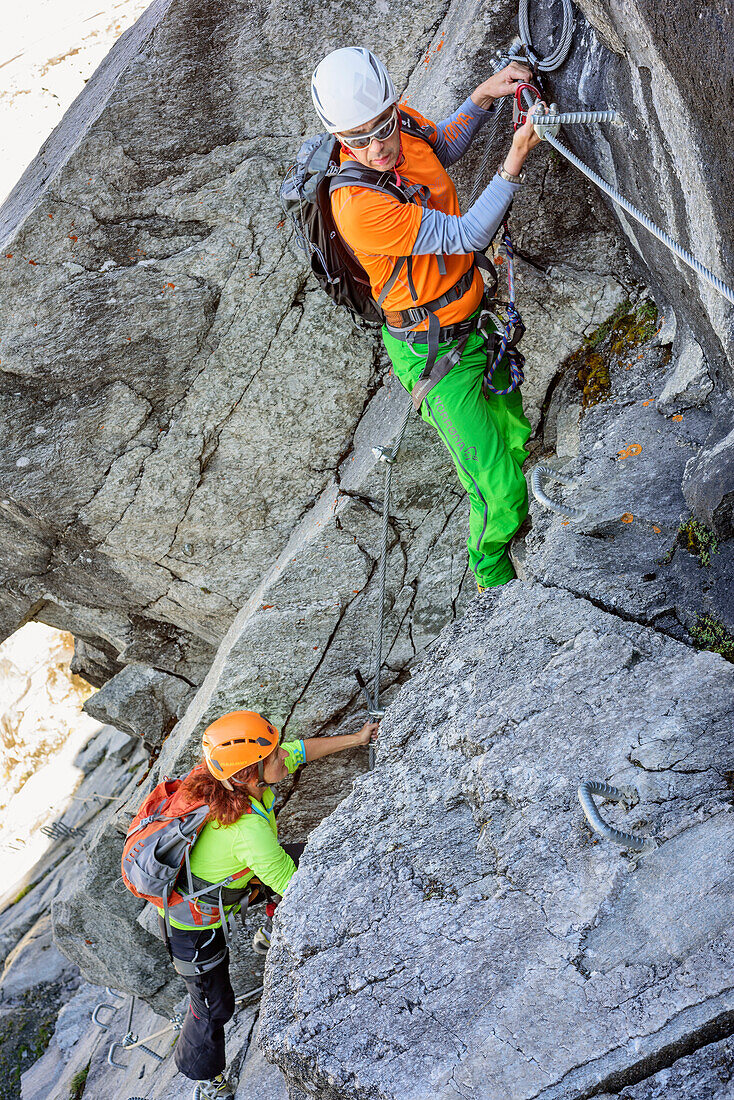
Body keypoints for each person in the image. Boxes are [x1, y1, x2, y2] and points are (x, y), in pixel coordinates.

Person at [311, 47, 545, 591]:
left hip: (470, 322)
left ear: (394, 107)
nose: (377, 147)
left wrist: (487, 93)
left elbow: (440, 146)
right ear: (341, 138)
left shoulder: (403, 126)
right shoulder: (358, 207)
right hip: (431, 352)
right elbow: (466, 236)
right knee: (496, 486)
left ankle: (527, 532)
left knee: (514, 435)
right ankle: (493, 578)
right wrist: (514, 157)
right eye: (359, 139)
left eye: (383, 127)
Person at [160, 709, 378, 1100]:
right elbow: (296, 888)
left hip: (228, 882)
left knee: (313, 855)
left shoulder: (227, 779)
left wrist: (358, 739)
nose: (282, 757)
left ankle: (271, 928)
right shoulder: (247, 828)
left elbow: (298, 752)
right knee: (213, 1006)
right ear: (248, 774)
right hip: (191, 928)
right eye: (272, 756)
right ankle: (204, 1077)